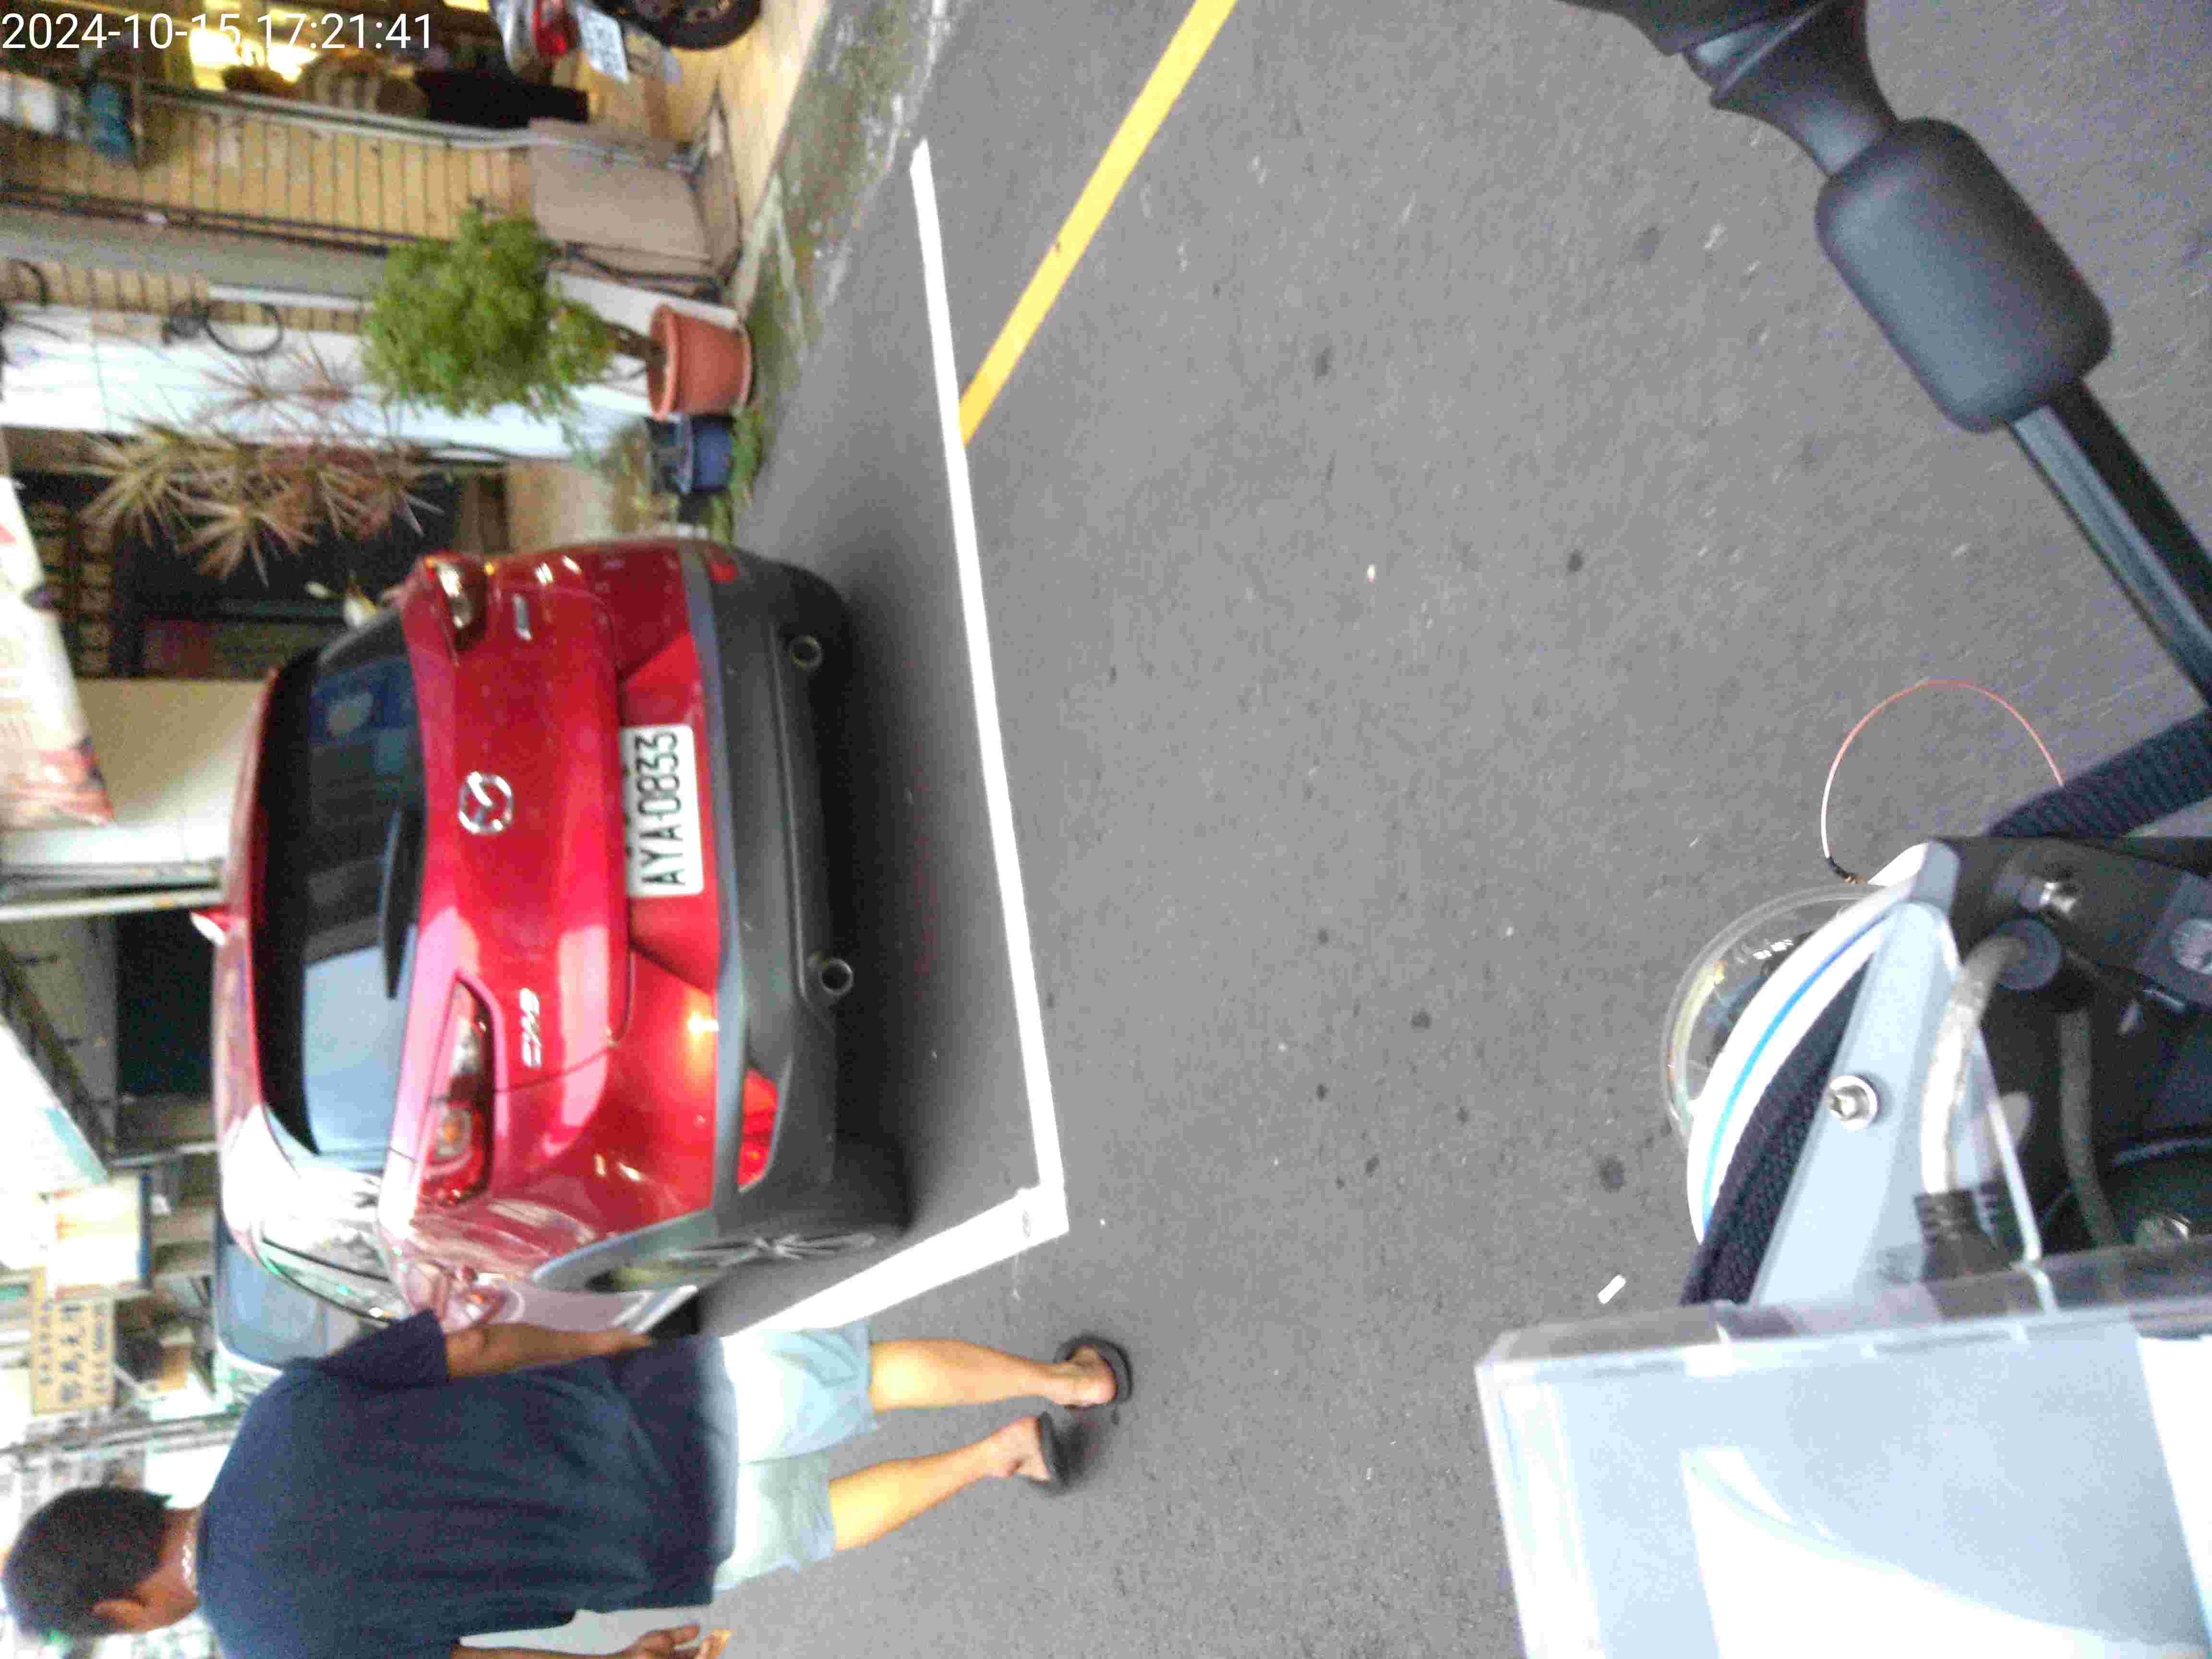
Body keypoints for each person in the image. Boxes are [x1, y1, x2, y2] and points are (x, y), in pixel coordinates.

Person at [1, 1315, 1133, 1658]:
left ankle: (1002, 1454)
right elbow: (480, 1347)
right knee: (858, 1378)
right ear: (129, 1505)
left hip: (641, 1549)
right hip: (644, 1409)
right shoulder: (281, 1415)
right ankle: (1067, 1380)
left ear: (121, 1609)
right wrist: (611, 1343)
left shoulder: (279, 1650)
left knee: (817, 1522)